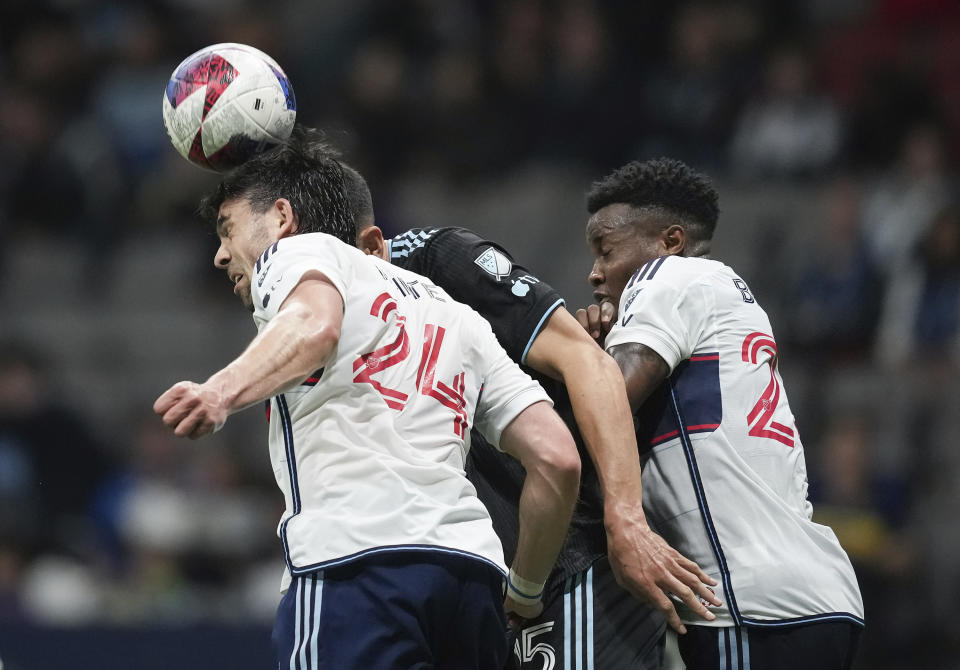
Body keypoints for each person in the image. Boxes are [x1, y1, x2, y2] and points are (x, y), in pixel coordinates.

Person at [153, 131, 582, 669]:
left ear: (282, 218)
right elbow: (558, 459)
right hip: (472, 581)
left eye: (227, 229)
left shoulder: (295, 251)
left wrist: (219, 392)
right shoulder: (458, 314)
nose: (220, 256)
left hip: (356, 568)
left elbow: (314, 325)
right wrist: (524, 590)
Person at [338, 159, 720, 668]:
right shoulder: (326, 327)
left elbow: (587, 373)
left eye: (606, 250)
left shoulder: (435, 261)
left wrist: (624, 521)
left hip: (571, 572)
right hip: (489, 581)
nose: (593, 271)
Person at [578, 157, 864, 669]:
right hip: (811, 598)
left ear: (670, 241)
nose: (594, 272)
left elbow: (608, 400)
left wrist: (570, 356)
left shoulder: (670, 276)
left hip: (750, 606)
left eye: (607, 250)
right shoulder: (724, 298)